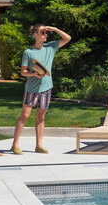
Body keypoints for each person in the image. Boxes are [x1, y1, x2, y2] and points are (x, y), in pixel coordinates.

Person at [10, 25, 71, 155]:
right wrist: (34, 74)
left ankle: (38, 145)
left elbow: (67, 38)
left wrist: (54, 29)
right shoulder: (28, 52)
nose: (45, 34)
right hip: (32, 89)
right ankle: (14, 145)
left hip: (46, 88)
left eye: (46, 32)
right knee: (25, 115)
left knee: (41, 117)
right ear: (35, 35)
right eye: (42, 32)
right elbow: (23, 72)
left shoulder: (51, 47)